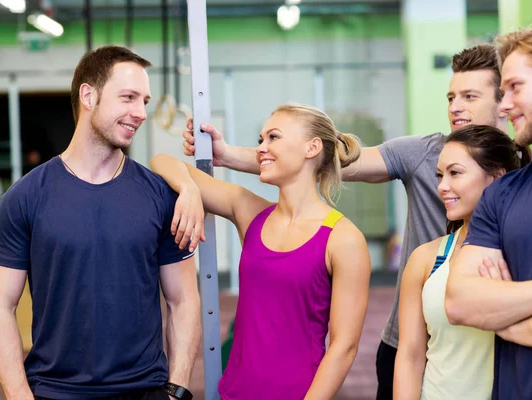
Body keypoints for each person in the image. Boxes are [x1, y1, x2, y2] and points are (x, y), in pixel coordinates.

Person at [181, 43, 508, 400]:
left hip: (484, 339)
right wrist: (228, 155)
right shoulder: (422, 153)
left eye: (470, 96)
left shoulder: (522, 172)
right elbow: (330, 161)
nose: (456, 107)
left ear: (503, 103)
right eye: (451, 96)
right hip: (410, 339)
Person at [0, 46, 202, 400]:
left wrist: (176, 390)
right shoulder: (25, 197)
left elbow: (184, 300)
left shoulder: (160, 196)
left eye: (144, 101)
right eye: (128, 98)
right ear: (88, 95)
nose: (141, 113)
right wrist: (18, 394)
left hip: (144, 390)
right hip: (54, 390)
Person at [151, 103, 371, 399]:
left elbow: (344, 347)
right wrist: (188, 189)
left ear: (312, 147)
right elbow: (161, 161)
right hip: (233, 393)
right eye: (260, 140)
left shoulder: (344, 239)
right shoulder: (250, 212)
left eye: (273, 138)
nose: (261, 149)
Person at [445, 28, 532, 399]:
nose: (503, 106)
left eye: (516, 87)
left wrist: (506, 322)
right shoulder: (502, 194)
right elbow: (460, 301)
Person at [393, 125, 530, 400]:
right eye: (440, 175)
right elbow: (410, 356)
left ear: (497, 178)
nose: (442, 186)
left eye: (455, 173)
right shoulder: (425, 258)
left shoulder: (527, 253)